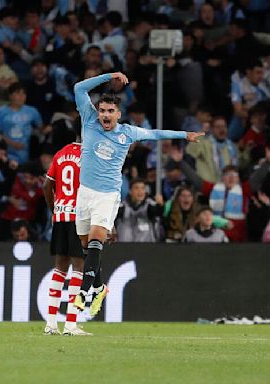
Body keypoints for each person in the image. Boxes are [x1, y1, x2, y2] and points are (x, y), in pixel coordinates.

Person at [71, 72, 204, 313]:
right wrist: (108, 76)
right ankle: (100, 288)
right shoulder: (89, 120)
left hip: (107, 195)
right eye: (102, 110)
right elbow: (79, 88)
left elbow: (155, 134)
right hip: (85, 193)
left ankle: (84, 293)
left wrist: (184, 135)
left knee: (95, 240)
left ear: (118, 114)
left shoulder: (128, 133)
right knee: (85, 245)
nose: (105, 115)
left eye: (110, 111)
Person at [43, 137, 91, 336]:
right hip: (78, 217)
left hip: (61, 215)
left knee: (60, 267)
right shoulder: (89, 156)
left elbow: (47, 186)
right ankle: (71, 324)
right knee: (79, 267)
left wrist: (54, 209)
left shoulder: (61, 153)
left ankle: (51, 323)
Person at [115, 178, 164, 243]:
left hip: (147, 247)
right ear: (130, 191)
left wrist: (161, 205)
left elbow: (158, 212)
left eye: (143, 188)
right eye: (136, 188)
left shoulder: (150, 205)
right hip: (124, 247)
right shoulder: (122, 207)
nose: (140, 191)